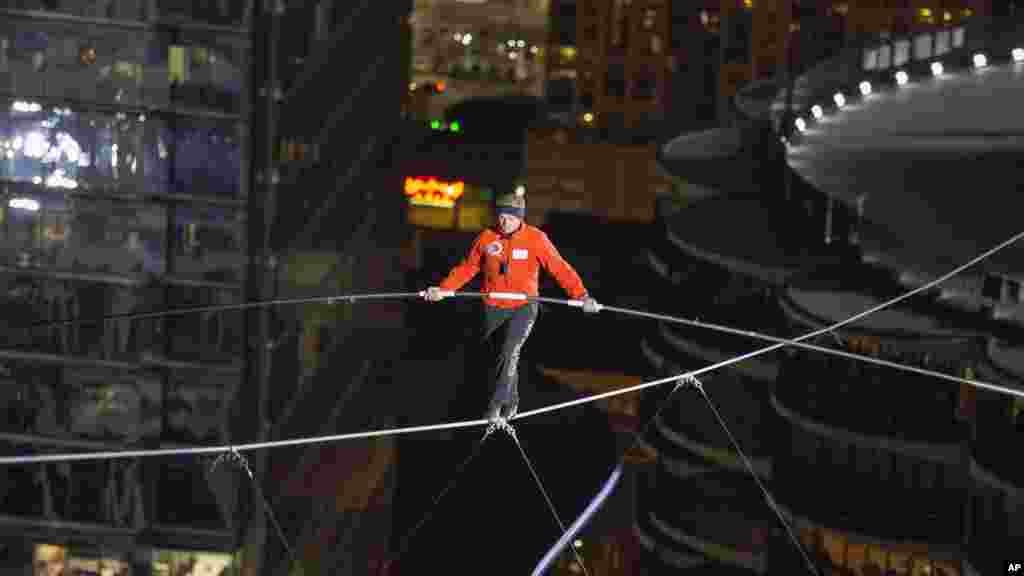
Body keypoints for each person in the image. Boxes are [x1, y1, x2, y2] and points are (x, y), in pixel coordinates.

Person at [424, 191, 600, 422]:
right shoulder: (487, 238)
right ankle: (512, 400)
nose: (503, 222)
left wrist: (582, 296)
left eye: (509, 217)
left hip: (523, 307)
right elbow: (467, 268)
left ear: (520, 218)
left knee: (510, 350)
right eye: (501, 216)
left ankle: (495, 406)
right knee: (501, 356)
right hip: (493, 307)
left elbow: (560, 269)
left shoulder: (536, 239)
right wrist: (443, 289)